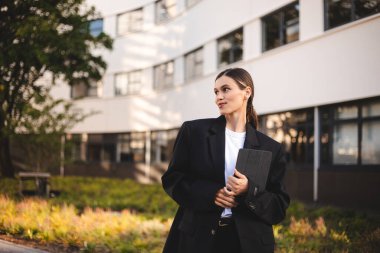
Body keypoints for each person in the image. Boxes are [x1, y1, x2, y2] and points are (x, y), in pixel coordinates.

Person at [161, 67, 290, 253]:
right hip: (199, 238)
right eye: (216, 92)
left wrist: (248, 190)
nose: (218, 97)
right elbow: (173, 180)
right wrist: (211, 194)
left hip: (248, 243)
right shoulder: (194, 132)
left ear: (247, 92)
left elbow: (278, 207)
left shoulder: (270, 148)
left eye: (225, 89)